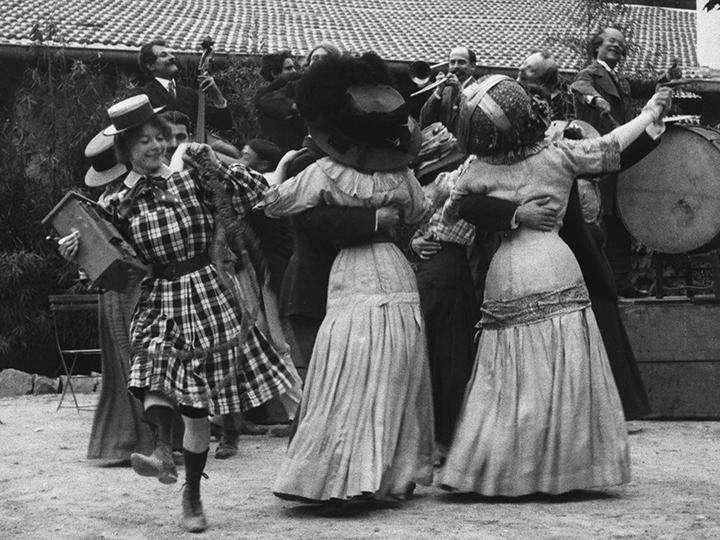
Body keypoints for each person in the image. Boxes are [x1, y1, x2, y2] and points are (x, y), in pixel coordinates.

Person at [64, 95, 292, 532]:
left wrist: (215, 164)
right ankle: (161, 451)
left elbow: (258, 194)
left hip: (205, 293)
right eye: (143, 141)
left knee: (195, 407)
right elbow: (102, 264)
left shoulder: (192, 179)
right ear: (126, 150)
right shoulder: (115, 202)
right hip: (158, 296)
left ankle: (192, 494)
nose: (155, 146)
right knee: (150, 372)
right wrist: (76, 251)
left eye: (159, 138)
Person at [437, 75, 672, 496]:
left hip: (508, 270)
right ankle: (565, 468)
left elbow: (451, 214)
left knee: (507, 368)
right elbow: (614, 147)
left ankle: (506, 467)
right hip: (553, 263)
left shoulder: (476, 170)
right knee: (562, 362)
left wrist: (506, 214)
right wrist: (652, 112)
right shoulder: (558, 156)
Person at [256, 54, 435, 513]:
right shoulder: (401, 176)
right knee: (385, 369)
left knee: (350, 372)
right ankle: (384, 473)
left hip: (354, 274)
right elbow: (419, 212)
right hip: (391, 272)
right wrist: (381, 217)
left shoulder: (324, 173)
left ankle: (346, 475)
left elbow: (272, 203)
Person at [570, 27, 681, 297]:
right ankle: (597, 288)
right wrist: (596, 99)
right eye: (612, 41)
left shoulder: (621, 80)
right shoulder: (589, 74)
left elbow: (648, 85)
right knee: (598, 223)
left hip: (619, 160)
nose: (617, 46)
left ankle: (621, 284)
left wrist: (667, 77)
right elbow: (579, 87)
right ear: (597, 46)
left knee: (620, 219)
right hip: (596, 159)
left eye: (621, 43)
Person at [131, 39, 234, 134]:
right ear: (150, 66)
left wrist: (216, 94)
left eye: (171, 53)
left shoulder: (190, 94)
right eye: (164, 55)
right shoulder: (142, 95)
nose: (172, 57)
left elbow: (224, 124)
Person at [255, 51, 306, 153]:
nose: (294, 71)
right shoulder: (264, 96)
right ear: (274, 73)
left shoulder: (295, 91)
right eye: (288, 68)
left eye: (294, 67)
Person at [418, 47, 477, 132]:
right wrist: (438, 90)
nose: (456, 66)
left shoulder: (479, 90)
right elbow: (423, 121)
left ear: (473, 66)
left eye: (461, 62)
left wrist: (460, 91)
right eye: (452, 62)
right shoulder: (444, 91)